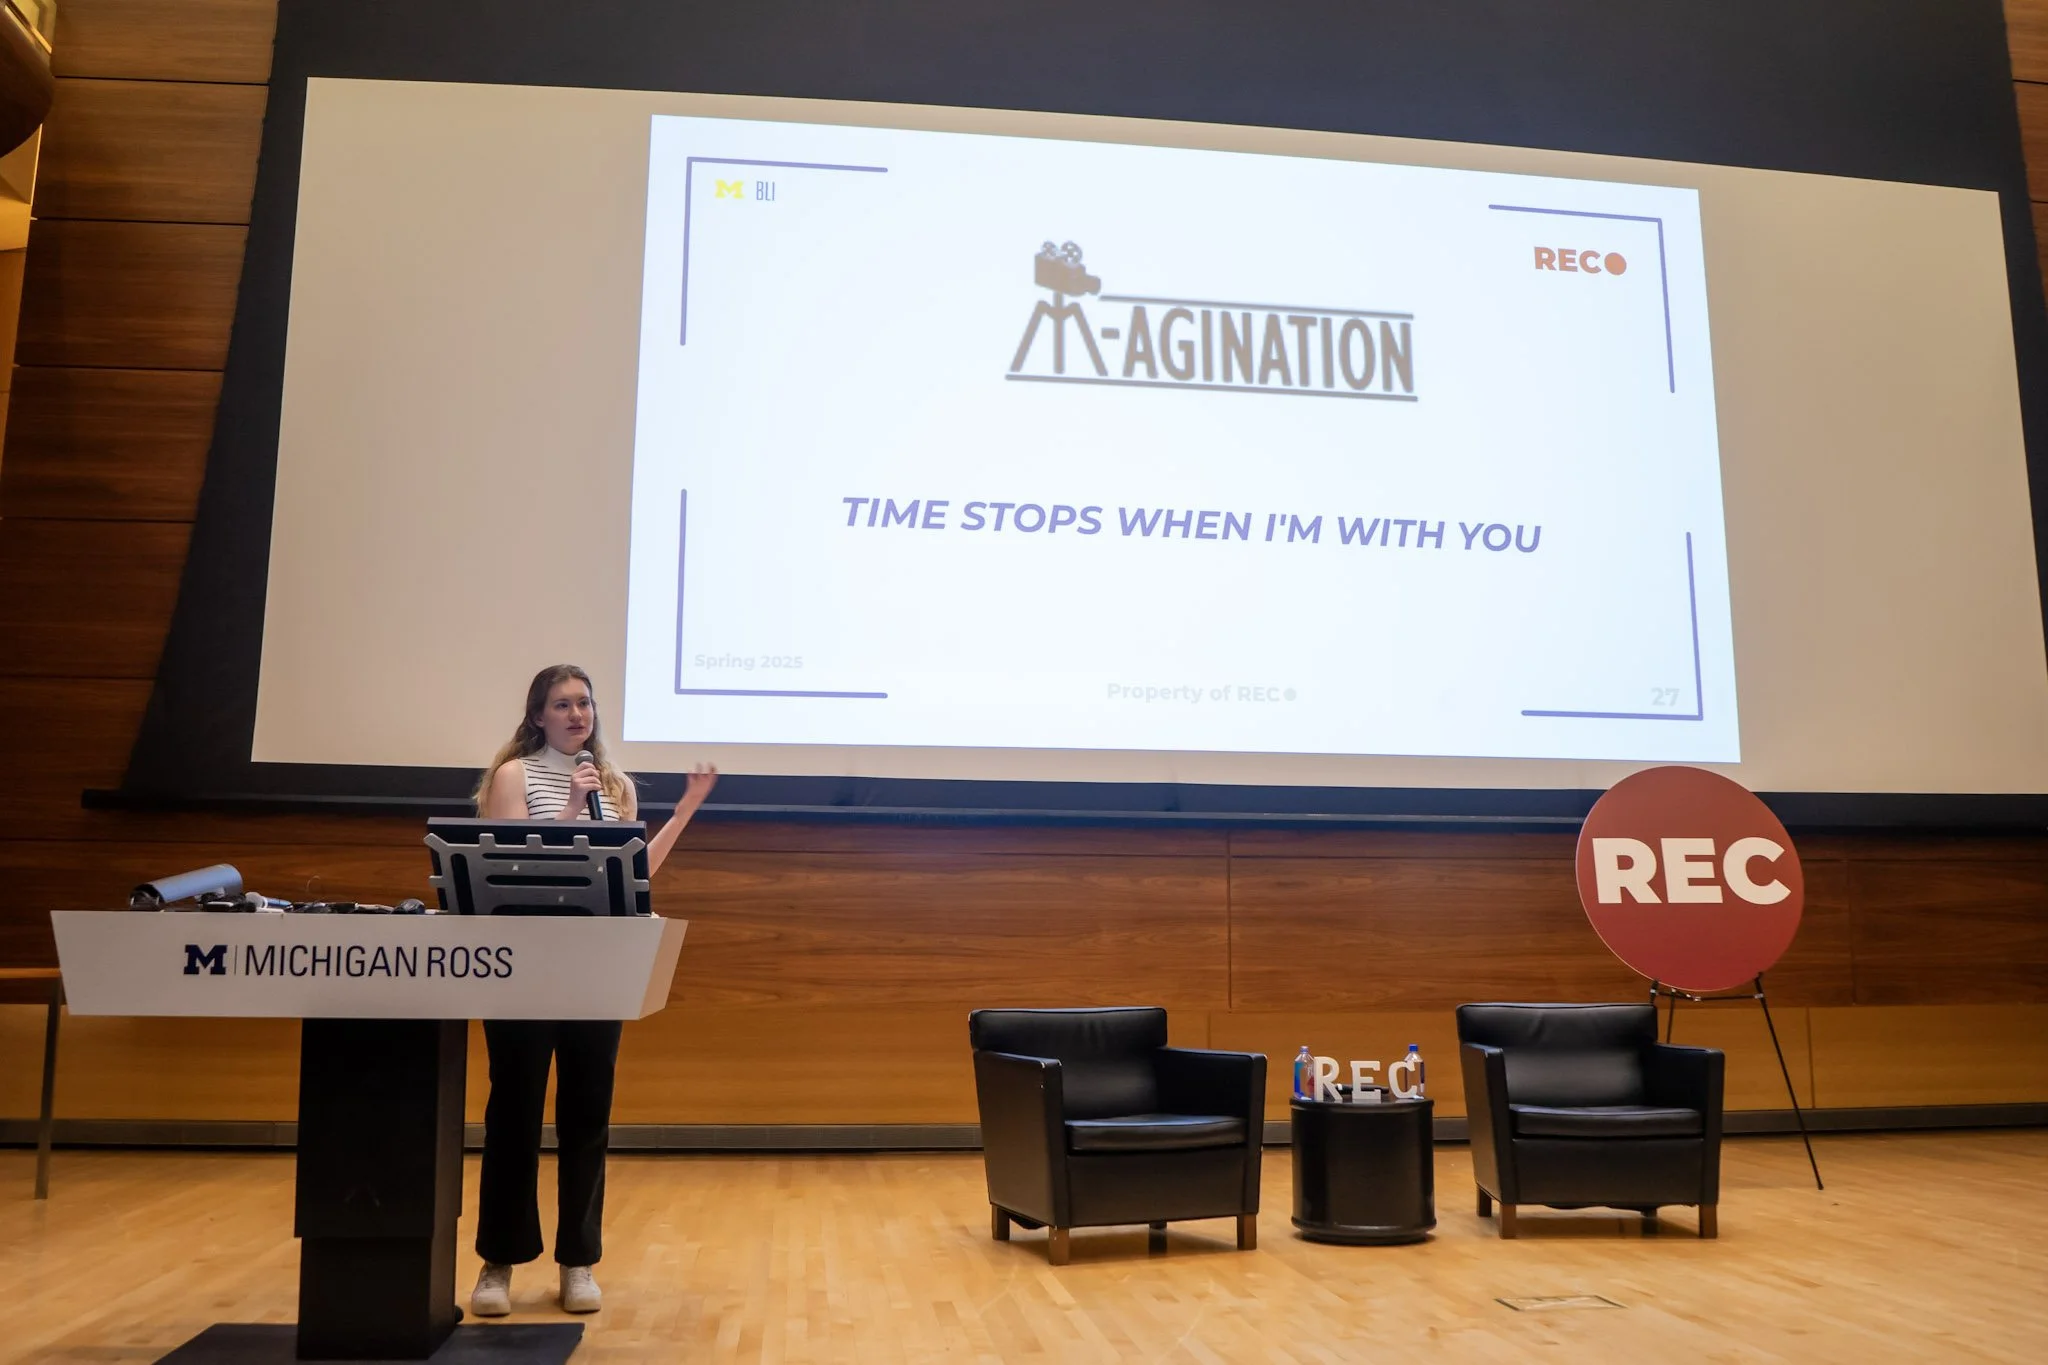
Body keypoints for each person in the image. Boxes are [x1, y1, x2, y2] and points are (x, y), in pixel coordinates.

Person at [466, 663, 717, 1317]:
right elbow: (510, 861)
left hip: (596, 965)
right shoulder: (514, 776)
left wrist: (685, 808)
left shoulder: (616, 785)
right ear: (538, 716)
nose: (578, 714)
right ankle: (499, 1261)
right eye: (563, 704)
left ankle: (578, 1259)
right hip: (524, 963)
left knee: (587, 1114)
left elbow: (636, 872)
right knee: (513, 1112)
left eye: (585, 702)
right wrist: (574, 809)